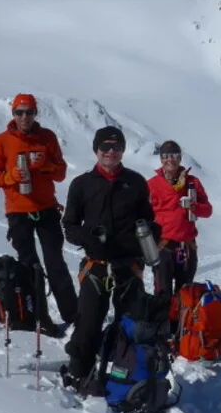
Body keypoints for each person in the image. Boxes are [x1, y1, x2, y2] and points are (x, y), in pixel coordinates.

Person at [59, 125, 160, 393]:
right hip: (97, 266)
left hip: (129, 265)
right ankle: (79, 373)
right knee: (87, 324)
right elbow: (68, 226)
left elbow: (148, 219)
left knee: (130, 326)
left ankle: (123, 379)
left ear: (123, 150)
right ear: (96, 150)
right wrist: (87, 236)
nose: (110, 152)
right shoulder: (81, 185)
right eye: (105, 147)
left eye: (116, 147)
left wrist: (152, 232)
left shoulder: (136, 182)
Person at [0, 93, 74, 337]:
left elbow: (61, 173)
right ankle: (40, 317)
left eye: (29, 111)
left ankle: (72, 315)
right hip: (18, 212)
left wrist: (45, 166)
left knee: (56, 263)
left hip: (46, 209)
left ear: (36, 113)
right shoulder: (2, 142)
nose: (24, 116)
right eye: (19, 112)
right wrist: (10, 177)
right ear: (13, 114)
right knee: (30, 266)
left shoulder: (47, 138)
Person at [146, 140, 212, 296]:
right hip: (163, 246)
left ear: (180, 158)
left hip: (187, 246)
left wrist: (194, 207)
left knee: (185, 295)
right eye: (166, 156)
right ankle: (164, 320)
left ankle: (181, 321)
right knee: (163, 295)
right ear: (161, 159)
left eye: (174, 155)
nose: (170, 159)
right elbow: (142, 214)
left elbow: (208, 210)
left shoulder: (192, 183)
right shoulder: (152, 185)